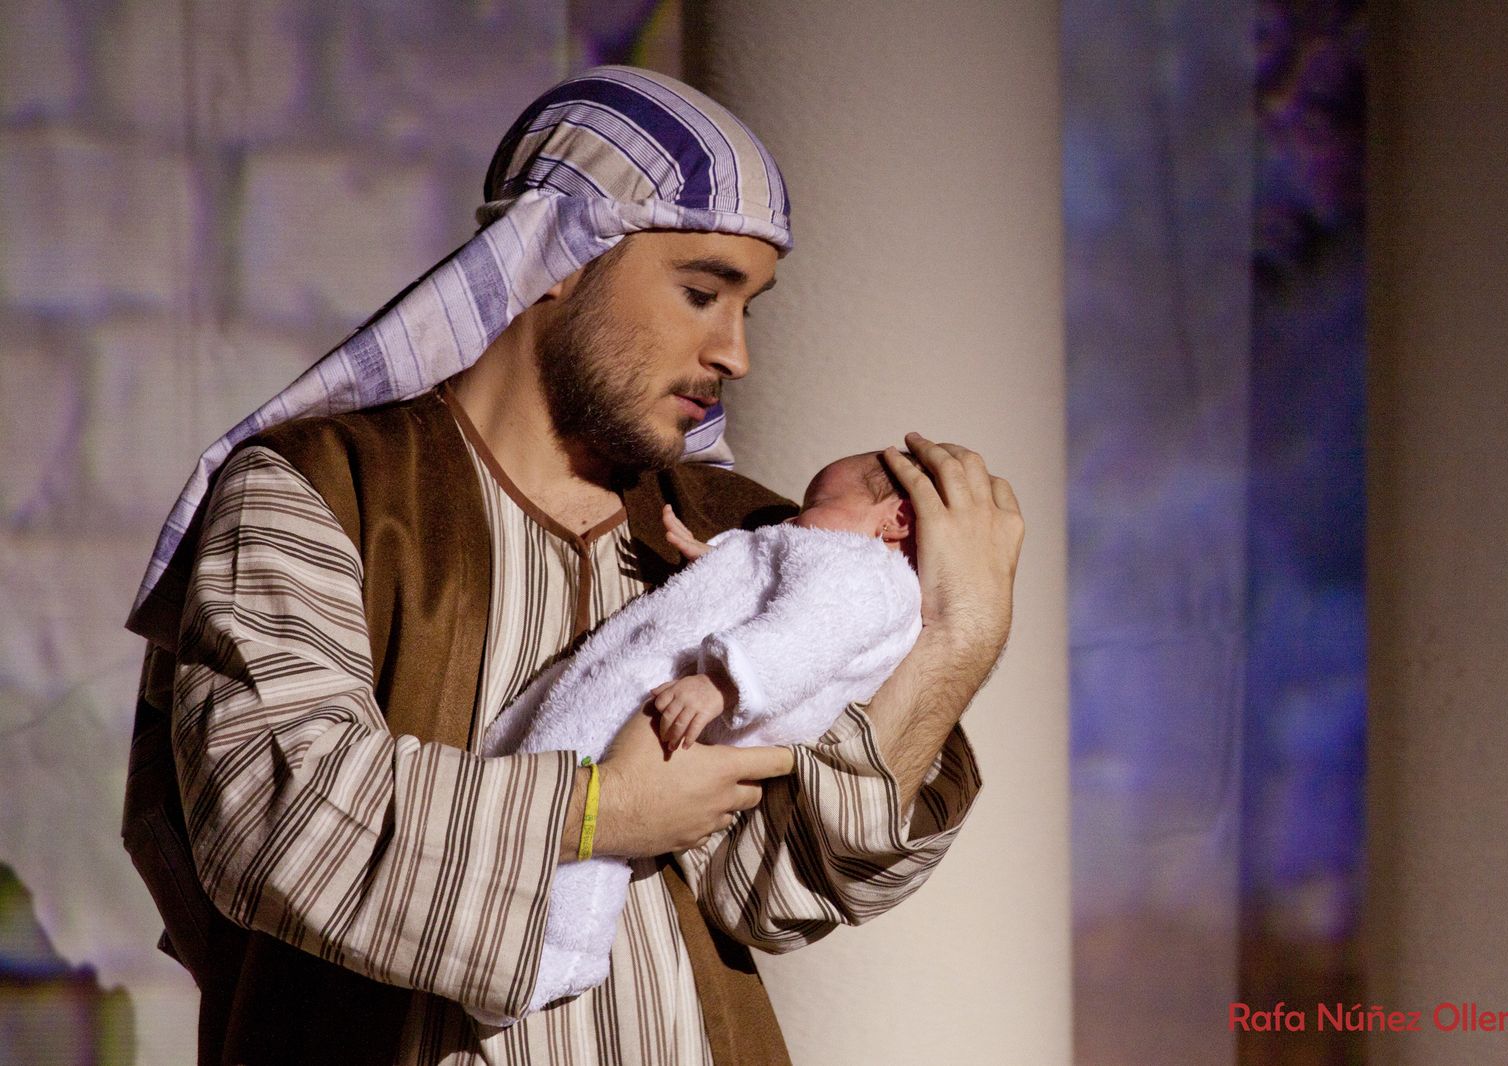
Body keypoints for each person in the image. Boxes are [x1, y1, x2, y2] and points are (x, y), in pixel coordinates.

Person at [120, 65, 1023, 1066]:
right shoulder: (319, 490)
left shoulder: (741, 541)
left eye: (749, 307)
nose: (733, 353)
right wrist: (601, 810)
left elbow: (773, 889)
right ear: (555, 255)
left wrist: (955, 641)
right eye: (700, 291)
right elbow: (276, 815)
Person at [481, 452, 925, 1012]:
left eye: (817, 505)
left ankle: (561, 947)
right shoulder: (829, 554)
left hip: (698, 698)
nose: (792, 518)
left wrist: (724, 684)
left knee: (587, 786)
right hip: (669, 678)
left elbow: (804, 637)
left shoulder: (865, 573)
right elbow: (759, 589)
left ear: (896, 520)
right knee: (545, 743)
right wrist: (710, 560)